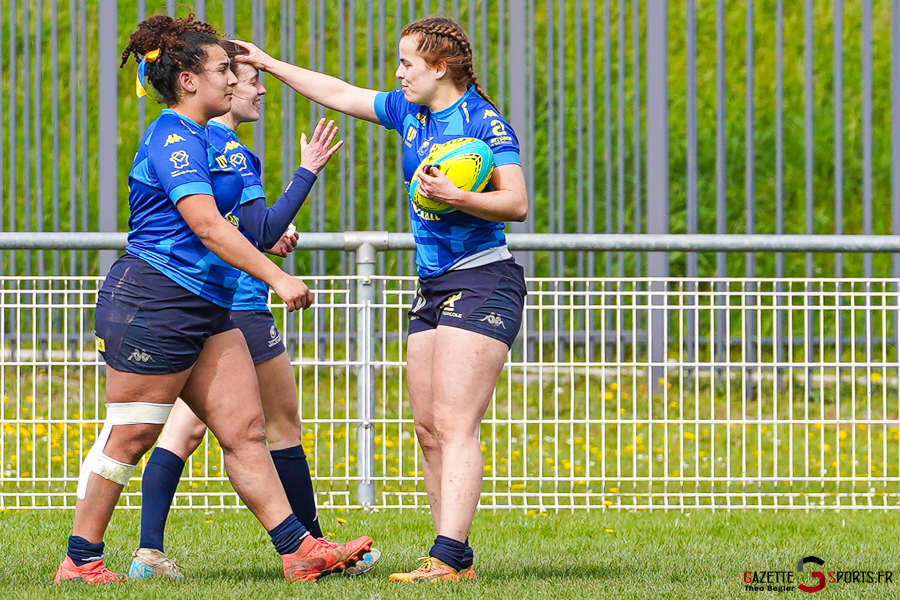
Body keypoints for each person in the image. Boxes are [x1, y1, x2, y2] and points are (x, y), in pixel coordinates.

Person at [54, 14, 371, 585]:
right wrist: (277, 277)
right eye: (224, 69)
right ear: (188, 81)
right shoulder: (171, 136)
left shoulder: (210, 138)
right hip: (153, 302)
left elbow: (243, 223)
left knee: (245, 428)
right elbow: (204, 225)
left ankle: (299, 550)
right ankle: (81, 559)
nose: (235, 78)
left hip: (205, 307)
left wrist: (268, 235)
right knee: (132, 434)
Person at [234, 14, 528, 582]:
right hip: (433, 284)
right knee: (427, 427)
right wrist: (270, 64)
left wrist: (458, 196)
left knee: (454, 421)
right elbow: (341, 94)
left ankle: (448, 557)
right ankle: (450, 560)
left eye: (406, 63)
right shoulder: (409, 111)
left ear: (440, 67)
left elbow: (515, 204)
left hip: (483, 279)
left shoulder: (483, 124)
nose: (398, 73)